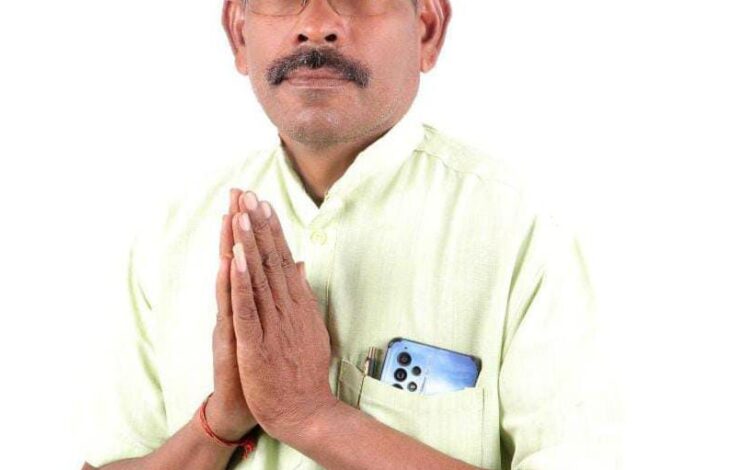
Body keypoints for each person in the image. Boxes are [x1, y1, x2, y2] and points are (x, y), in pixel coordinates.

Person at [80, 0, 620, 468]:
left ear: (428, 29)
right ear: (238, 32)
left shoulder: (526, 233)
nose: (316, 26)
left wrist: (311, 416)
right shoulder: (169, 236)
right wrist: (218, 421)